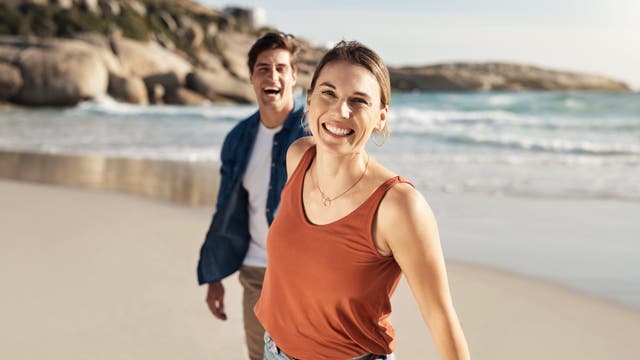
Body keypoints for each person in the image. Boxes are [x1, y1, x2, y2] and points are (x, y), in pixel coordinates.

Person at [254, 41, 470, 360]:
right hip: (274, 351)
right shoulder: (297, 156)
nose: (341, 111)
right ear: (310, 102)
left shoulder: (399, 205)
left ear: (381, 117)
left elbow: (440, 316)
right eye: (328, 93)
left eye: (359, 101)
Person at [197, 32, 306, 360]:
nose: (272, 76)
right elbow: (226, 209)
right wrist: (214, 274)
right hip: (256, 272)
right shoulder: (238, 138)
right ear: (251, 77)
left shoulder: (312, 134)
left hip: (302, 276)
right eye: (263, 68)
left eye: (281, 68)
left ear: (294, 77)